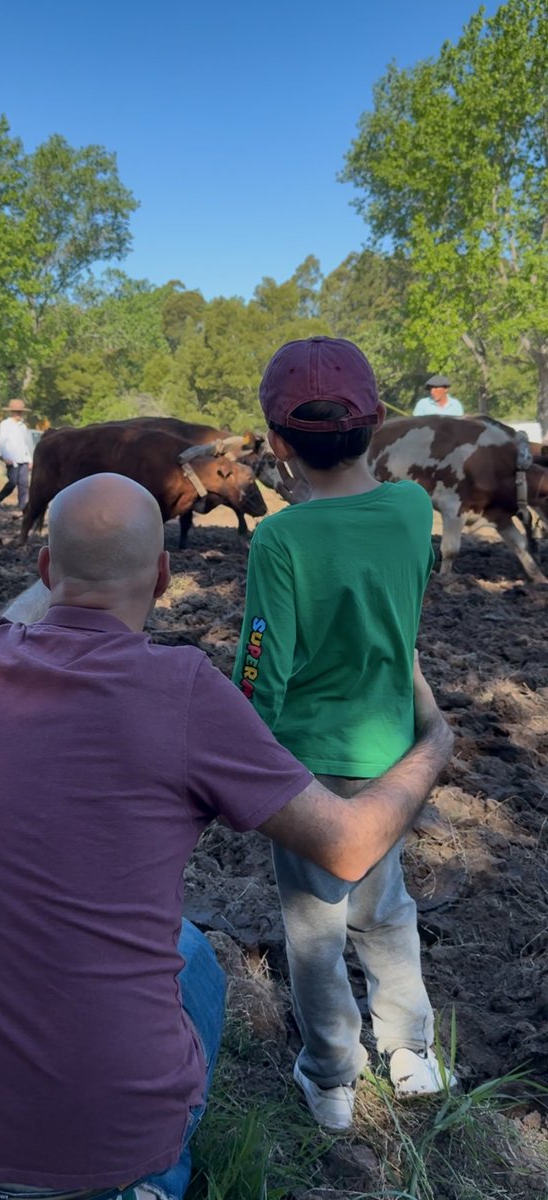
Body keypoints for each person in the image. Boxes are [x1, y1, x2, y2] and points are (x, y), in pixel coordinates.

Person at [0, 474, 452, 1200]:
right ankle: (145, 1180)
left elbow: (26, 607)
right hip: (97, 1135)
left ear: (47, 572)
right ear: (166, 577)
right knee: (191, 953)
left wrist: (66, 569)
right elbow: (349, 844)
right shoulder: (181, 689)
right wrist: (434, 744)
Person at [233, 336, 457, 1133]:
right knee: (387, 908)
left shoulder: (281, 539)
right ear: (382, 422)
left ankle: (331, 1077)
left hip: (311, 771)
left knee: (314, 930)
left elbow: (262, 667)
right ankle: (412, 1051)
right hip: (391, 751)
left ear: (278, 441)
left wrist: (234, 767)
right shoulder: (411, 508)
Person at [0, 398, 34, 509]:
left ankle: (23, 506)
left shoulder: (23, 426)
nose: (18, 414)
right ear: (11, 412)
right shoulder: (5, 424)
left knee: (24, 484)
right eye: (16, 412)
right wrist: (5, 457)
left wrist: (30, 460)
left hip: (24, 459)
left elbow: (27, 444)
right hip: (12, 459)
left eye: (20, 412)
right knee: (12, 482)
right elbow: (2, 442)